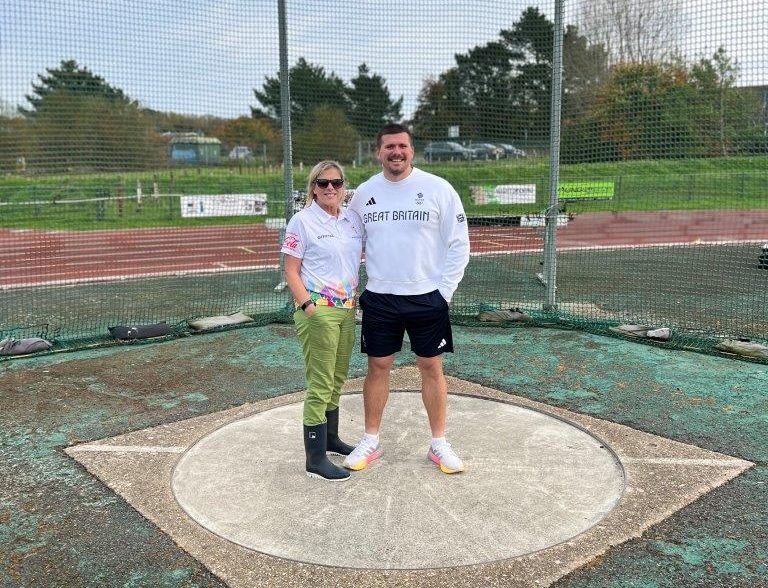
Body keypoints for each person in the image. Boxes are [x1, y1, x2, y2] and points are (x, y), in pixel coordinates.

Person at [344, 123, 470, 474]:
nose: (395, 152)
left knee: (431, 367)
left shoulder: (438, 189)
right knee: (377, 367)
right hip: (380, 297)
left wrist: (443, 292)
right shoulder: (364, 193)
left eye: (402, 146)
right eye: (389, 147)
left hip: (427, 297)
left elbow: (460, 243)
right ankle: (371, 440)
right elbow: (350, 245)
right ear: (378, 152)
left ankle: (439, 443)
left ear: (412, 150)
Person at [281, 160, 364, 481]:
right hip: (318, 310)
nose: (331, 188)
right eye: (323, 183)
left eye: (337, 183)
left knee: (338, 375)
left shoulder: (351, 220)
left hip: (346, 309)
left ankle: (331, 439)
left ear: (344, 187)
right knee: (320, 381)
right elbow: (291, 269)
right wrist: (307, 306)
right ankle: (315, 457)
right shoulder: (302, 221)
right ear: (313, 187)